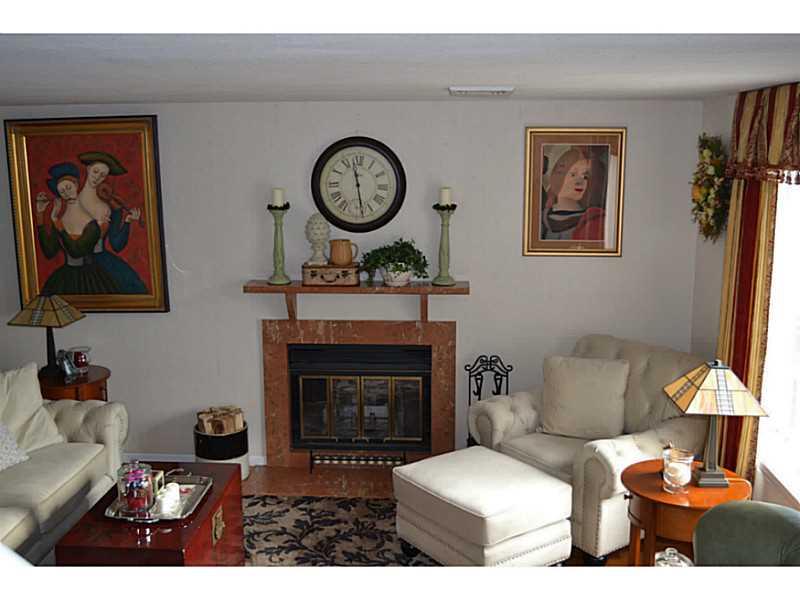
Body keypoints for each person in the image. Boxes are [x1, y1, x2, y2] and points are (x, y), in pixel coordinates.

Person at [35, 162, 119, 294]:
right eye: (62, 191)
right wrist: (40, 215)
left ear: (76, 185)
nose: (66, 193)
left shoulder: (91, 223)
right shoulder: (60, 220)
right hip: (66, 277)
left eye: (68, 187)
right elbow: (49, 252)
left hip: (89, 278)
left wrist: (59, 227)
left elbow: (76, 251)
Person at [76, 151, 147, 294]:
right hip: (77, 264)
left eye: (103, 175)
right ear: (88, 169)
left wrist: (127, 222)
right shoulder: (72, 202)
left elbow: (116, 245)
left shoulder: (108, 207)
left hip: (102, 260)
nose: (98, 177)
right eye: (96, 171)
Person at [540, 147, 605, 241]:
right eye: (573, 174)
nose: (580, 181)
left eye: (585, 176)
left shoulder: (593, 220)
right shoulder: (541, 217)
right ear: (556, 175)